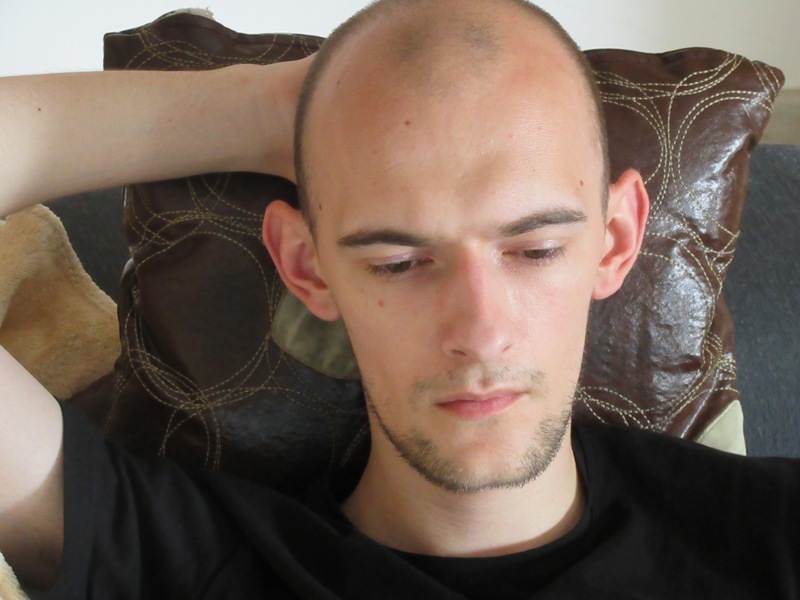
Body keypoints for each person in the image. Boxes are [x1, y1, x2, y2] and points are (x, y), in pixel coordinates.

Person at [0, 0, 798, 597]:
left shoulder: (773, 532)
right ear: (307, 268)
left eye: (535, 250)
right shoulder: (179, 558)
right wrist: (273, 109)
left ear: (616, 240)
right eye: (400, 262)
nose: (480, 332)